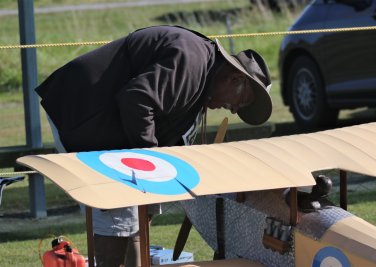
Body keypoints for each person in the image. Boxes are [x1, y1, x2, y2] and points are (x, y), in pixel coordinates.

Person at [35, 25, 272, 267]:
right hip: (84, 112)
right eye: (240, 102)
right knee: (119, 213)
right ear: (236, 78)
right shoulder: (191, 62)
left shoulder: (202, 73)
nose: (233, 110)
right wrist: (151, 164)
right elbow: (136, 99)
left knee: (138, 214)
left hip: (104, 123)